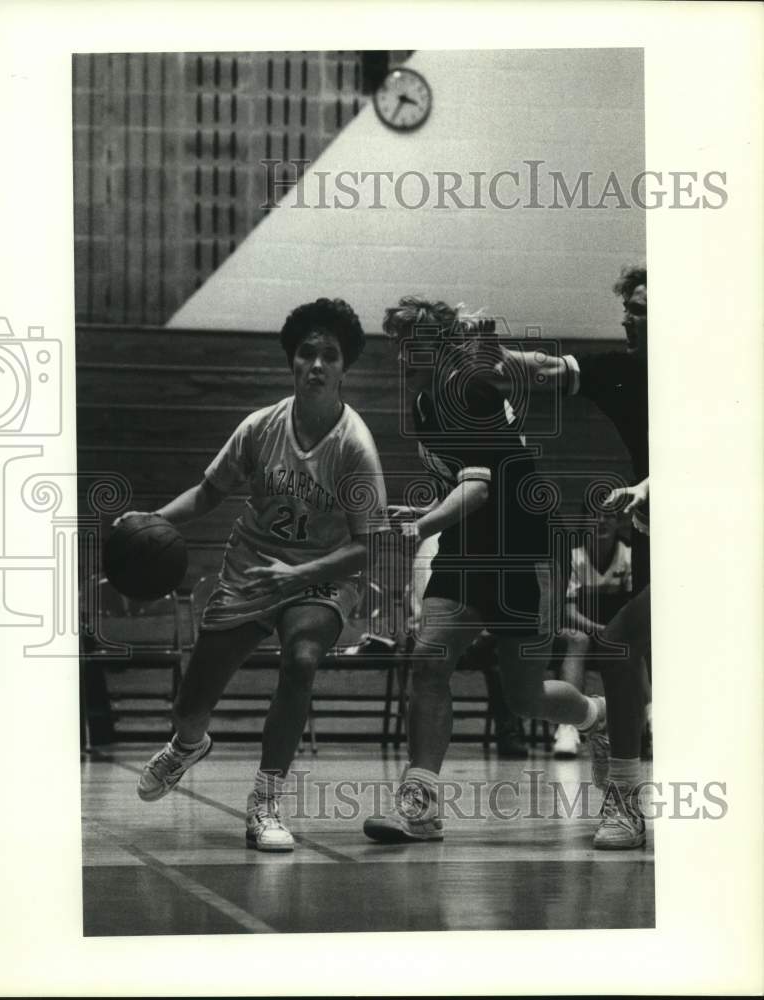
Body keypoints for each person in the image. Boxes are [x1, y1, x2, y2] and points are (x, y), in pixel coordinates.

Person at [125, 298, 387, 852]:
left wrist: (297, 578)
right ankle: (189, 743)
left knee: (302, 660)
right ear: (292, 362)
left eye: (330, 356)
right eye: (307, 353)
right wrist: (151, 520)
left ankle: (266, 801)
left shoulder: (355, 448)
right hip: (251, 564)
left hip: (322, 573)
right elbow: (206, 494)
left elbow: (368, 547)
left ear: (345, 368)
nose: (317, 364)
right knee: (191, 703)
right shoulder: (259, 428)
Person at [363, 297, 607, 844]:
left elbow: (479, 484)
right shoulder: (429, 397)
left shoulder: (465, 392)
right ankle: (420, 806)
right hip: (470, 548)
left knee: (526, 698)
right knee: (429, 662)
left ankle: (596, 717)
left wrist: (421, 526)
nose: (405, 349)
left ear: (440, 343)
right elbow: (465, 485)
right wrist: (427, 518)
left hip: (523, 552)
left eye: (416, 338)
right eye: (399, 340)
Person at [488, 264, 651, 848]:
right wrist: (487, 354)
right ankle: (626, 802)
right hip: (664, 538)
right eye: (628, 306)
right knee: (620, 646)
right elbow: (549, 370)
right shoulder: (620, 371)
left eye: (642, 309)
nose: (628, 317)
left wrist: (650, 487)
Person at [553, 504, 640, 759]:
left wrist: (613, 632)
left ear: (618, 523)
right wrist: (601, 630)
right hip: (585, 629)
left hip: (617, 633)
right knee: (577, 639)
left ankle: (648, 720)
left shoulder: (629, 556)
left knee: (641, 639)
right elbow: (567, 613)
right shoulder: (573, 558)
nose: (601, 522)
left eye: (609, 516)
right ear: (584, 523)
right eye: (595, 516)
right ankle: (567, 726)